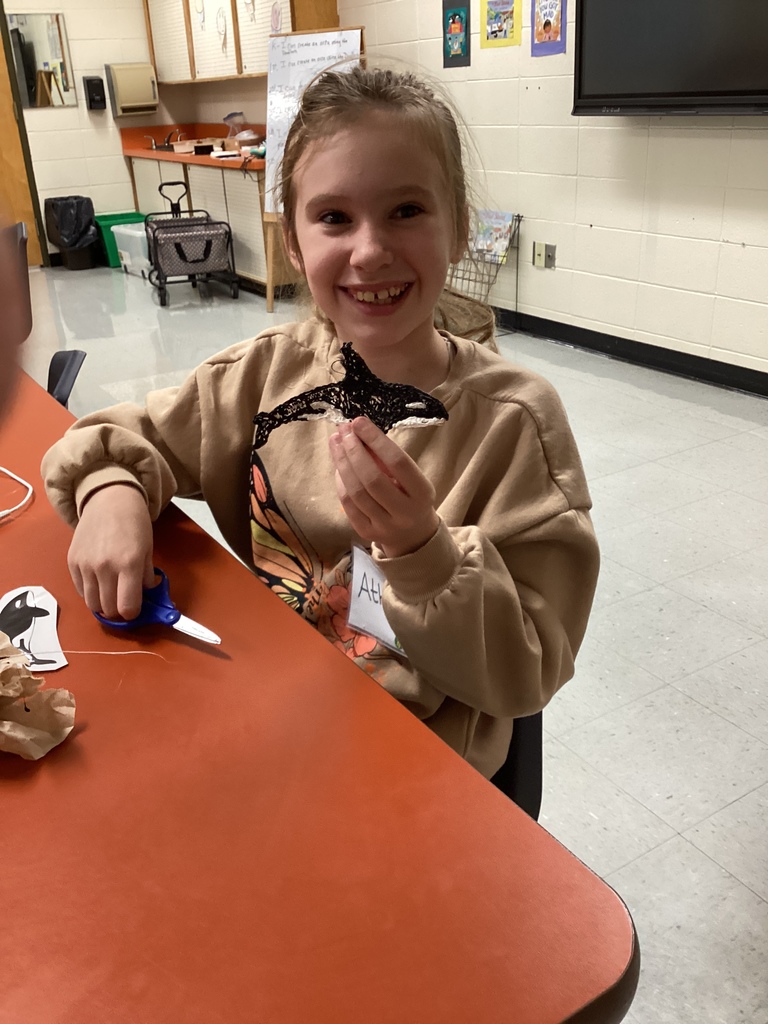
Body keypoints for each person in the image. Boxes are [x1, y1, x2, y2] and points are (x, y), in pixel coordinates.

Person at [41, 64, 599, 779]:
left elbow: (530, 668)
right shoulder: (262, 374)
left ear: (460, 228)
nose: (369, 251)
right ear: (296, 247)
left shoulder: (515, 423)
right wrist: (110, 492)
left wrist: (423, 553)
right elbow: (111, 437)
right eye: (335, 217)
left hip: (420, 764)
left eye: (406, 211)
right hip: (272, 707)